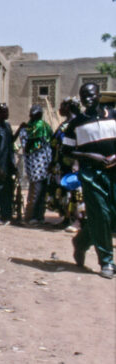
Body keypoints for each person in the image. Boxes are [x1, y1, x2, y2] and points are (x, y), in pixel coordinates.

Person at [64, 83, 116, 279]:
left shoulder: (113, 115)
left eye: (91, 95)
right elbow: (67, 152)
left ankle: (82, 241)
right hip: (91, 174)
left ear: (99, 96)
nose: (88, 98)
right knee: (101, 214)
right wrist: (91, 157)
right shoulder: (75, 124)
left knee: (111, 215)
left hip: (113, 173)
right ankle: (107, 262)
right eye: (84, 95)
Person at [49, 98, 81, 230]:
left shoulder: (77, 123)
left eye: (62, 106)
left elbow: (79, 145)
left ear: (68, 107)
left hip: (72, 163)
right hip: (60, 164)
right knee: (63, 191)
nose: (60, 109)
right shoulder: (65, 124)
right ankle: (67, 217)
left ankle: (78, 220)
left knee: (75, 191)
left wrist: (76, 163)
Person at [19, 104, 53, 225]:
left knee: (42, 192)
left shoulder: (44, 127)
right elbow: (26, 147)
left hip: (45, 165)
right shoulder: (27, 130)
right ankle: (30, 216)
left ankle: (39, 216)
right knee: (36, 192)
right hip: (35, 165)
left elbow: (51, 143)